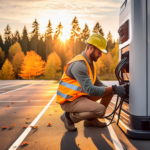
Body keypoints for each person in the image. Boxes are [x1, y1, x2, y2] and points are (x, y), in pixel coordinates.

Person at [56, 34, 127, 131]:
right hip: (69, 101)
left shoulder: (90, 63)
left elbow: (97, 83)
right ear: (91, 48)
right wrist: (114, 88)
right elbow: (90, 90)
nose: (101, 55)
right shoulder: (79, 65)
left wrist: (111, 89)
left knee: (108, 91)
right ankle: (68, 117)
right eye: (99, 52)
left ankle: (91, 121)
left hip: (79, 97)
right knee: (101, 110)